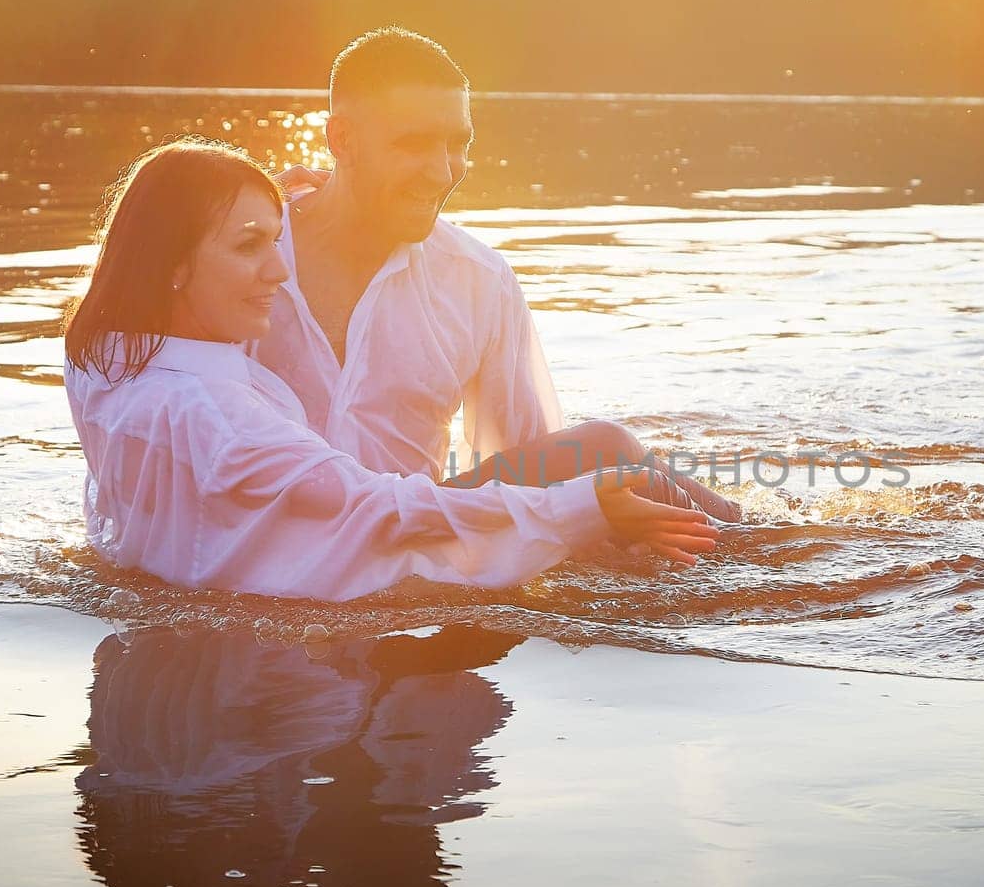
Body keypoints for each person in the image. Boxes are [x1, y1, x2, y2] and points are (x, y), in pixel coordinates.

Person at [62, 138, 720, 601]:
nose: (279, 268)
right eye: (250, 245)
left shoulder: (105, 360)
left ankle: (757, 538)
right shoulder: (223, 420)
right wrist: (581, 508)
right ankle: (780, 551)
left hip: (255, 550)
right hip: (349, 566)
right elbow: (375, 508)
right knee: (610, 459)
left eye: (274, 237)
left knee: (612, 461)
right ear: (172, 265)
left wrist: (296, 200)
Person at [256, 26, 744, 522]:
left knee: (608, 453)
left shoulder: (478, 280)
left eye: (456, 143)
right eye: (414, 144)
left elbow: (532, 465)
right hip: (266, 535)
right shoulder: (241, 255)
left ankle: (760, 538)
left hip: (403, 537)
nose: (443, 171)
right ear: (342, 139)